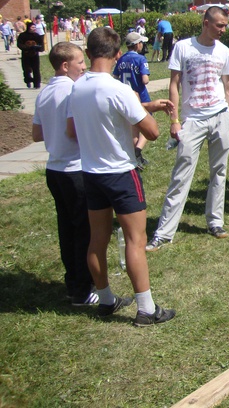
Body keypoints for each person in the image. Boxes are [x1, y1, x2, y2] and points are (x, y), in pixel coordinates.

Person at [66, 27, 176, 326]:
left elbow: (72, 131)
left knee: (97, 241)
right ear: (117, 54)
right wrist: (146, 112)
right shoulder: (118, 90)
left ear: (88, 53)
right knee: (135, 241)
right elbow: (151, 132)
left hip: (91, 173)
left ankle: (105, 299)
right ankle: (146, 308)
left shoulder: (76, 88)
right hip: (121, 173)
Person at [146, 6, 229, 251]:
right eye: (219, 25)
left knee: (219, 172)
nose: (223, 30)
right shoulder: (183, 47)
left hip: (220, 116)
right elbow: (174, 85)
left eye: (225, 25)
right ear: (205, 22)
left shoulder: (224, 51)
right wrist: (174, 120)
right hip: (193, 121)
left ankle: (215, 222)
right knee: (181, 175)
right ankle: (164, 232)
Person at [32, 42, 96, 306]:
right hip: (74, 169)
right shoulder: (73, 90)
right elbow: (74, 131)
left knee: (67, 229)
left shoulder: (44, 92)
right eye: (80, 62)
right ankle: (83, 290)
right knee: (84, 230)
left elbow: (36, 135)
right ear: (65, 65)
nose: (84, 67)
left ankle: (73, 284)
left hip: (54, 169)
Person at [113, 32, 152, 169]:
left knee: (133, 127)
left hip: (126, 96)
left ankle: (136, 156)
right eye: (141, 42)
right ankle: (138, 150)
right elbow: (145, 80)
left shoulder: (121, 59)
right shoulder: (141, 59)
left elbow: (115, 76)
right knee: (148, 125)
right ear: (137, 45)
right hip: (140, 96)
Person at [17, 20, 44, 89]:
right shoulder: (23, 35)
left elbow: (41, 45)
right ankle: (28, 81)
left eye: (34, 27)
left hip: (34, 55)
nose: (34, 29)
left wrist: (38, 48)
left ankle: (37, 84)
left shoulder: (37, 36)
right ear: (29, 28)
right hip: (26, 55)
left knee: (36, 70)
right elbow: (19, 44)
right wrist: (27, 47)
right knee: (26, 69)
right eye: (32, 27)